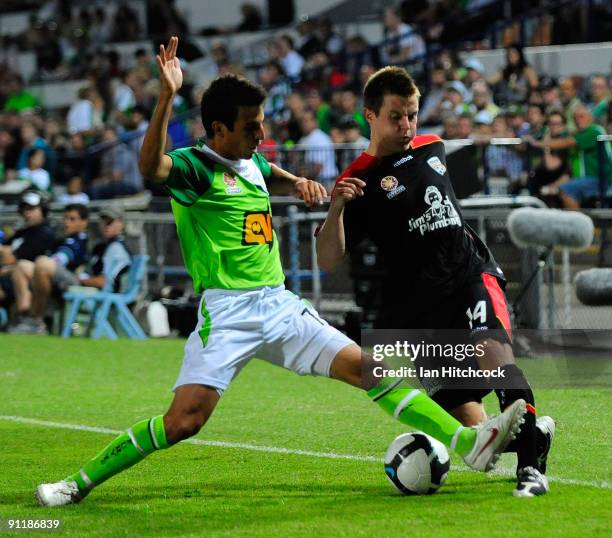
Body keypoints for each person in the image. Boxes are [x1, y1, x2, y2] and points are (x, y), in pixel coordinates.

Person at [36, 37, 526, 507]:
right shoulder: (194, 168)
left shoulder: (250, 160)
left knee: (368, 368)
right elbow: (150, 167)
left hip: (278, 303)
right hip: (227, 313)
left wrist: (300, 183)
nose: (262, 136)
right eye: (252, 127)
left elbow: (267, 173)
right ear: (219, 129)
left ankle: (467, 443)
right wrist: (167, 96)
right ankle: (76, 484)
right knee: (184, 421)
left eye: (262, 123)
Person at [316, 66, 550, 497]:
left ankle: (532, 470)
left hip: (471, 276)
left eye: (412, 115)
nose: (407, 126)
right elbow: (328, 259)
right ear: (369, 115)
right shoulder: (360, 179)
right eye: (396, 116)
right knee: (477, 435)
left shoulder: (433, 145)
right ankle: (536, 435)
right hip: (423, 307)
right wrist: (335, 209)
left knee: (496, 360)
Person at [8, 203, 89, 335]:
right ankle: (25, 315)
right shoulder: (62, 239)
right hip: (55, 277)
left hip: (75, 281)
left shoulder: (80, 240)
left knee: (42, 263)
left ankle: (37, 321)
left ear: (84, 222)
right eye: (65, 218)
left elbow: (61, 260)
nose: (67, 223)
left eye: (72, 219)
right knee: (22, 265)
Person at [0, 191, 56, 309]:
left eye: (32, 209)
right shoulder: (22, 232)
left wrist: (4, 253)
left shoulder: (44, 233)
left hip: (25, 279)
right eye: (24, 209)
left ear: (43, 211)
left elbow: (10, 259)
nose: (27, 213)